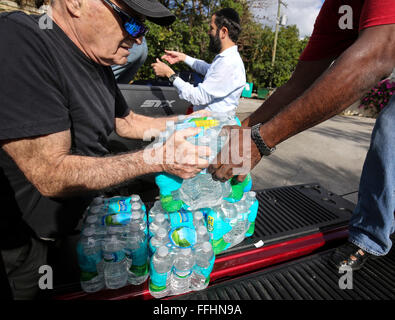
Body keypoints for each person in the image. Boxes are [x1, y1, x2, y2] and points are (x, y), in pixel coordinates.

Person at [0, 0, 210, 300]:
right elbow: (50, 173)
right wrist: (157, 159)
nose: (139, 38)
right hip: (30, 246)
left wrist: (187, 121)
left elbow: (127, 122)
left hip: (83, 225)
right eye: (131, 21)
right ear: (75, 3)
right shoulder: (22, 40)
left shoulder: (97, 61)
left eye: (143, 27)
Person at [208, 0, 395, 271]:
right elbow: (300, 82)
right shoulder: (336, 9)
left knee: (389, 129)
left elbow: (377, 56)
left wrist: (261, 140)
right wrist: (245, 129)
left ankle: (369, 236)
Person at [151, 8, 246, 116]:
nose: (209, 32)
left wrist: (170, 74)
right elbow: (209, 69)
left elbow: (198, 97)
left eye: (212, 28)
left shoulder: (228, 63)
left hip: (211, 127)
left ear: (223, 32)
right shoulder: (227, 59)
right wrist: (183, 57)